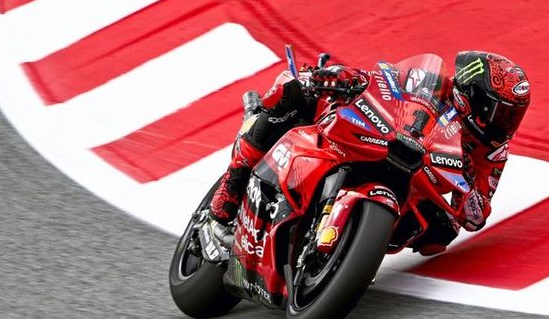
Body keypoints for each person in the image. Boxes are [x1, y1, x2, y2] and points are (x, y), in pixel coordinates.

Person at [202, 50, 531, 257]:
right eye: (500, 112)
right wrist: (347, 79)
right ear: (472, 95)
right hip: (373, 134)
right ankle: (230, 189)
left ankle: (348, 247)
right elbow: (385, 81)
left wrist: (465, 194)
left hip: (416, 181)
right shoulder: (431, 84)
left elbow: (479, 213)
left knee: (438, 235)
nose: (505, 123)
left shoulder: (493, 152)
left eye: (513, 116)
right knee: (298, 89)